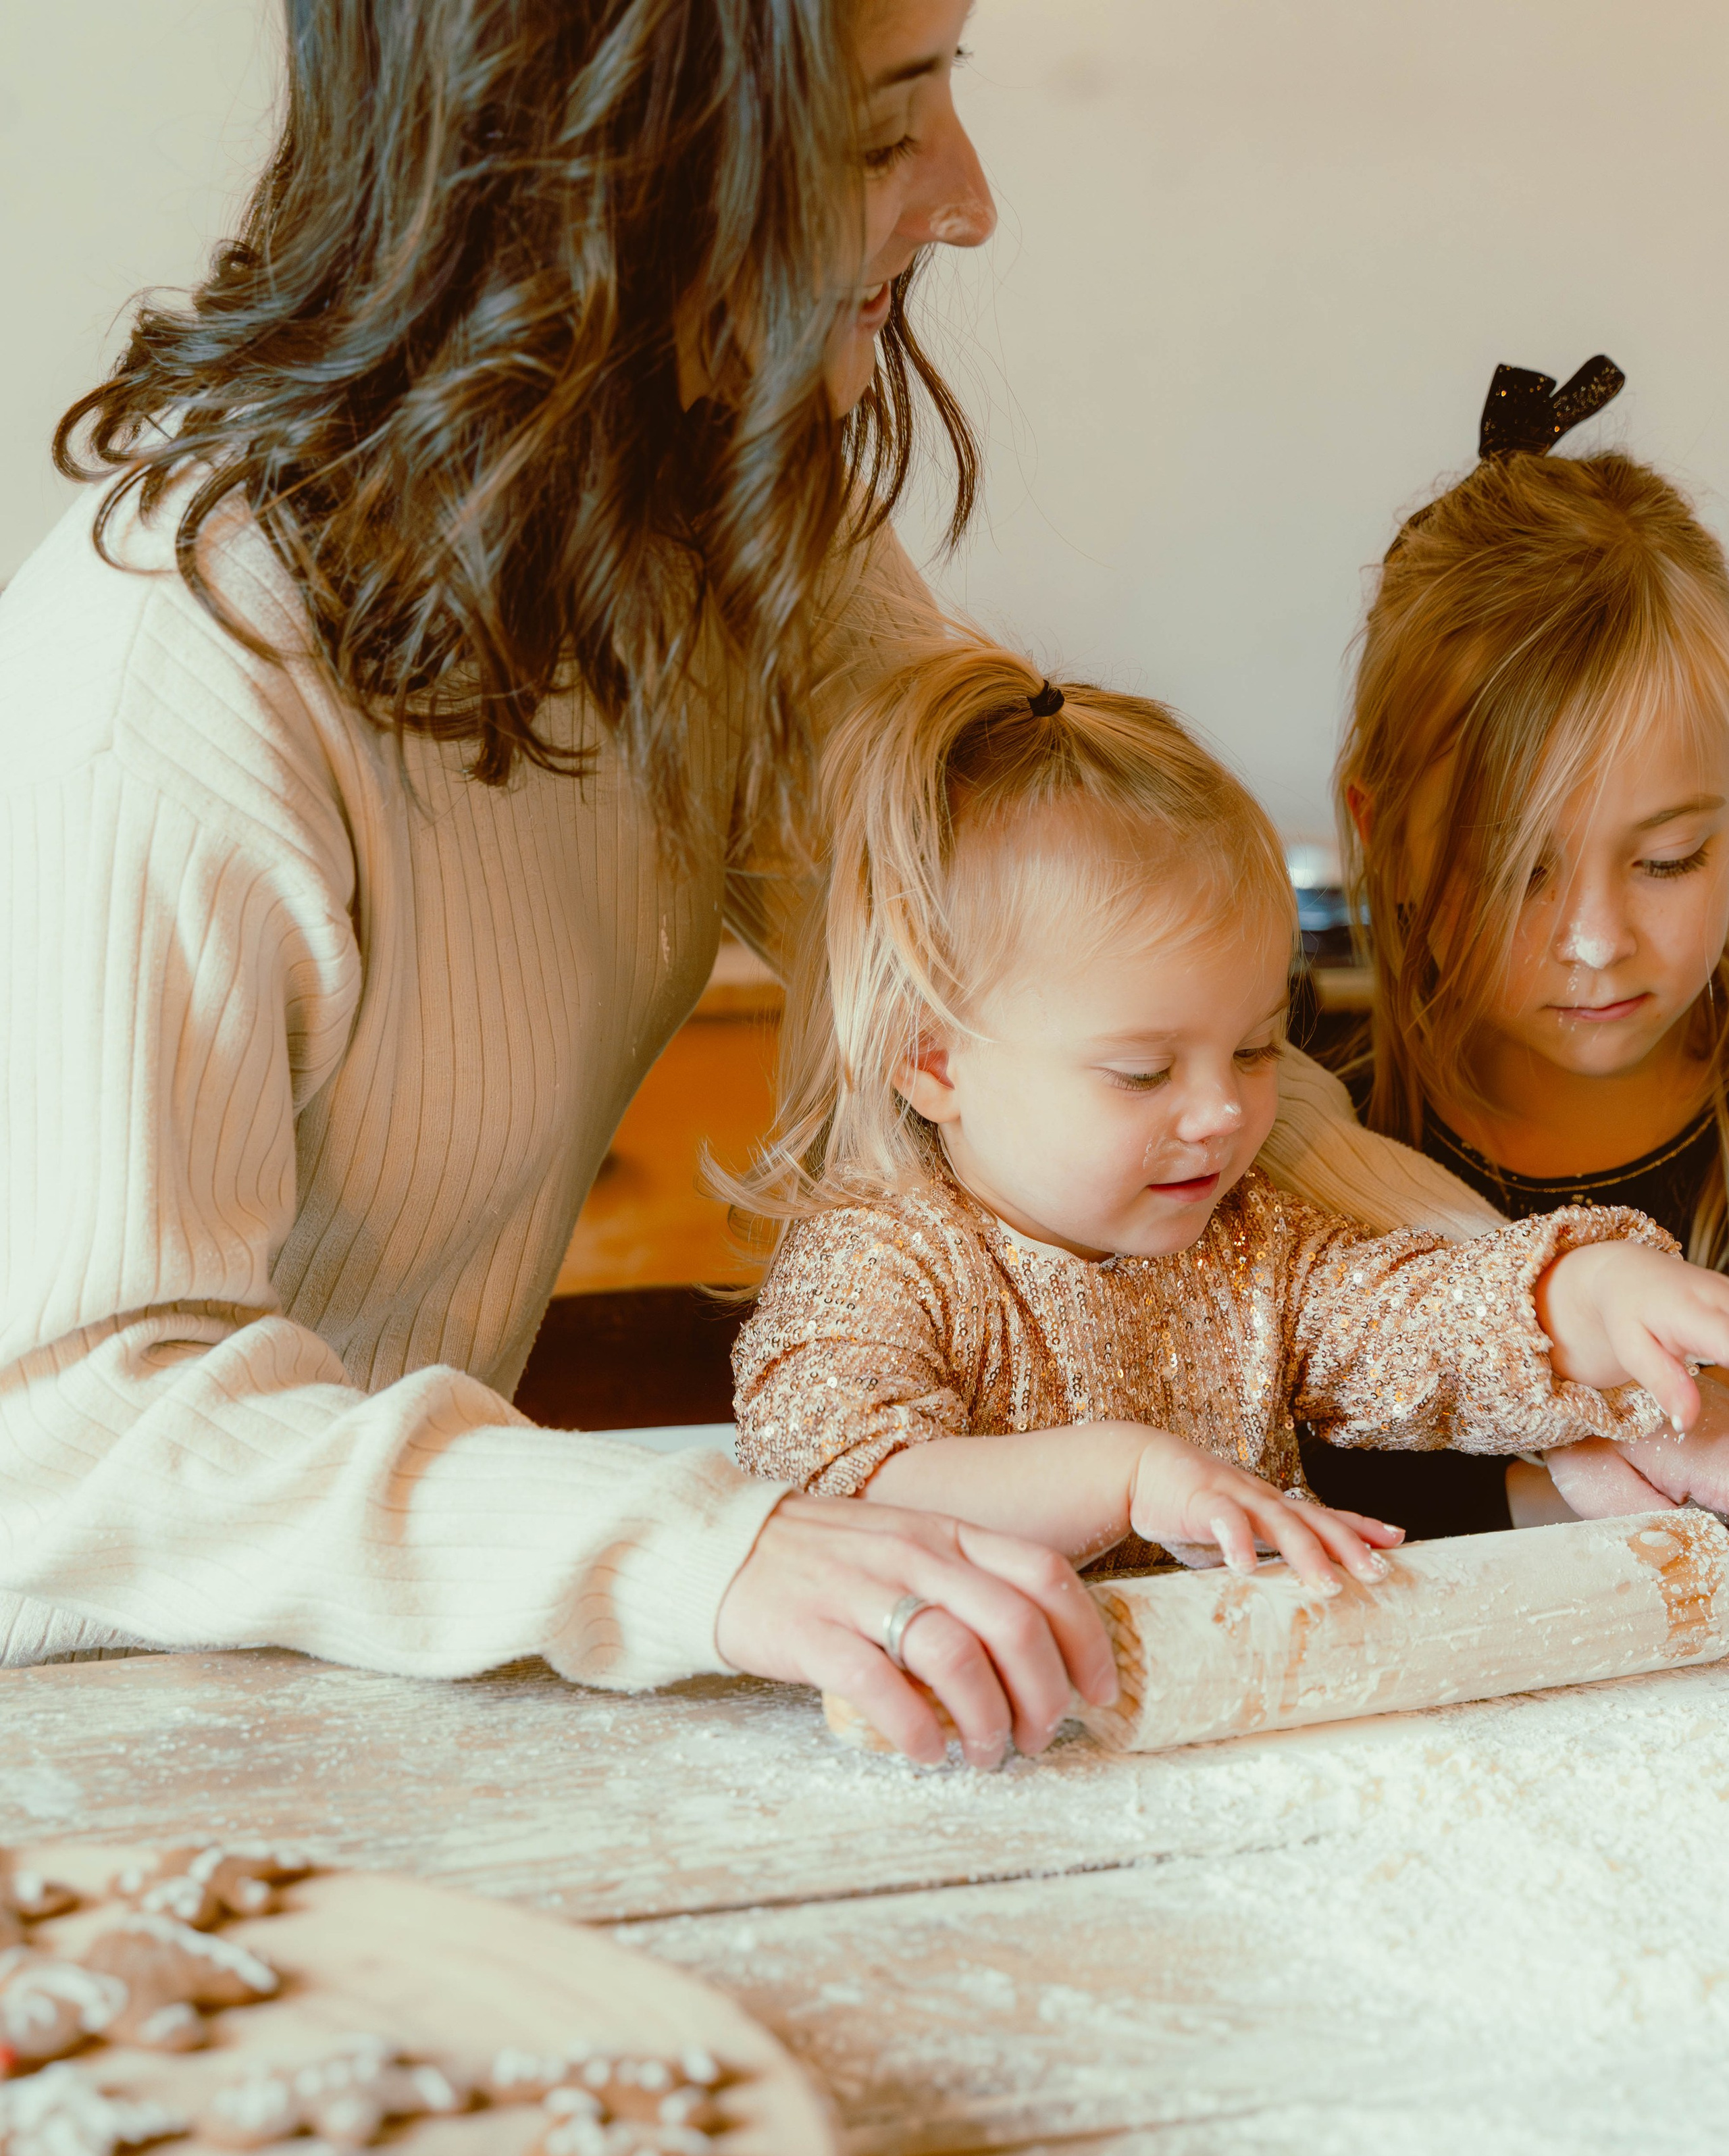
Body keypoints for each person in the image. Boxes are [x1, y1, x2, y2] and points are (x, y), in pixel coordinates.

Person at [0, 3, 1691, 1772]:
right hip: (92, 1732)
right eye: (888, 129)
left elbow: (1078, 1004)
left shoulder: (713, 514)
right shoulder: (167, 683)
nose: (965, 202)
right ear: (599, 151)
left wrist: (1570, 1337)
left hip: (380, 1695)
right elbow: (78, 1441)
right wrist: (706, 1553)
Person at [729, 642, 1729, 1608]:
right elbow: (832, 1489)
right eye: (1144, 1072)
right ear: (933, 1059)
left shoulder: (1252, 1247)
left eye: (1255, 1050)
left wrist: (1586, 1294)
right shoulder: (879, 1265)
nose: (1223, 1114)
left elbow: (1424, 1321)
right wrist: (1128, 1481)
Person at [1298, 359, 1729, 1539]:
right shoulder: (1305, 1163)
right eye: (1515, 869)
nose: (1596, 941)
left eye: (1670, 859)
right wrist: (1543, 1486)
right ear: (1383, 836)